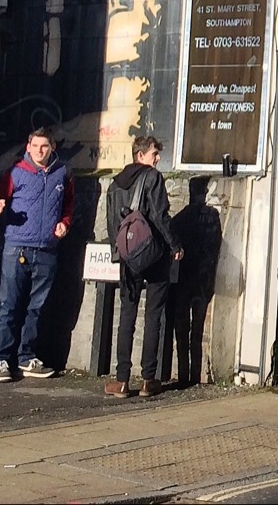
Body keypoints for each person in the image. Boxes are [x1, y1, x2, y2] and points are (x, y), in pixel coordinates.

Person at [0, 127, 72, 382]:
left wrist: (64, 224)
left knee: (37, 308)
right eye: (35, 146)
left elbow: (68, 206)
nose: (39, 151)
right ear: (28, 146)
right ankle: (2, 360)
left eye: (44, 146)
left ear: (52, 147)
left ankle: (27, 357)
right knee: (9, 306)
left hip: (46, 249)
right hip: (16, 248)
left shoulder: (63, 173)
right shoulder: (16, 171)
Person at [105, 135, 182, 398]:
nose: (157, 159)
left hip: (129, 258)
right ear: (140, 155)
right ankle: (149, 380)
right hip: (155, 255)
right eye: (154, 154)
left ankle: (122, 381)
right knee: (153, 315)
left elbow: (111, 225)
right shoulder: (152, 178)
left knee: (127, 315)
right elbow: (160, 216)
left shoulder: (114, 185)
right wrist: (175, 246)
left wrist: (120, 254)